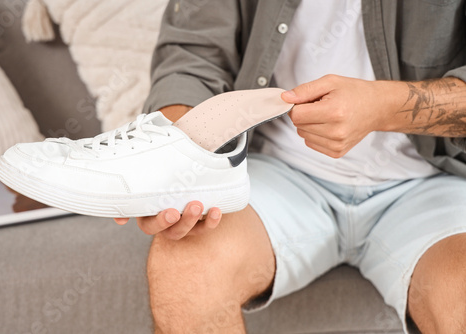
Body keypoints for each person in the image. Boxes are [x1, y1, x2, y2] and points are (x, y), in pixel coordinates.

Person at [114, 1, 466, 333]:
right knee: (184, 269)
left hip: (437, 181)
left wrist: (384, 108)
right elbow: (192, 54)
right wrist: (176, 162)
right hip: (277, 172)